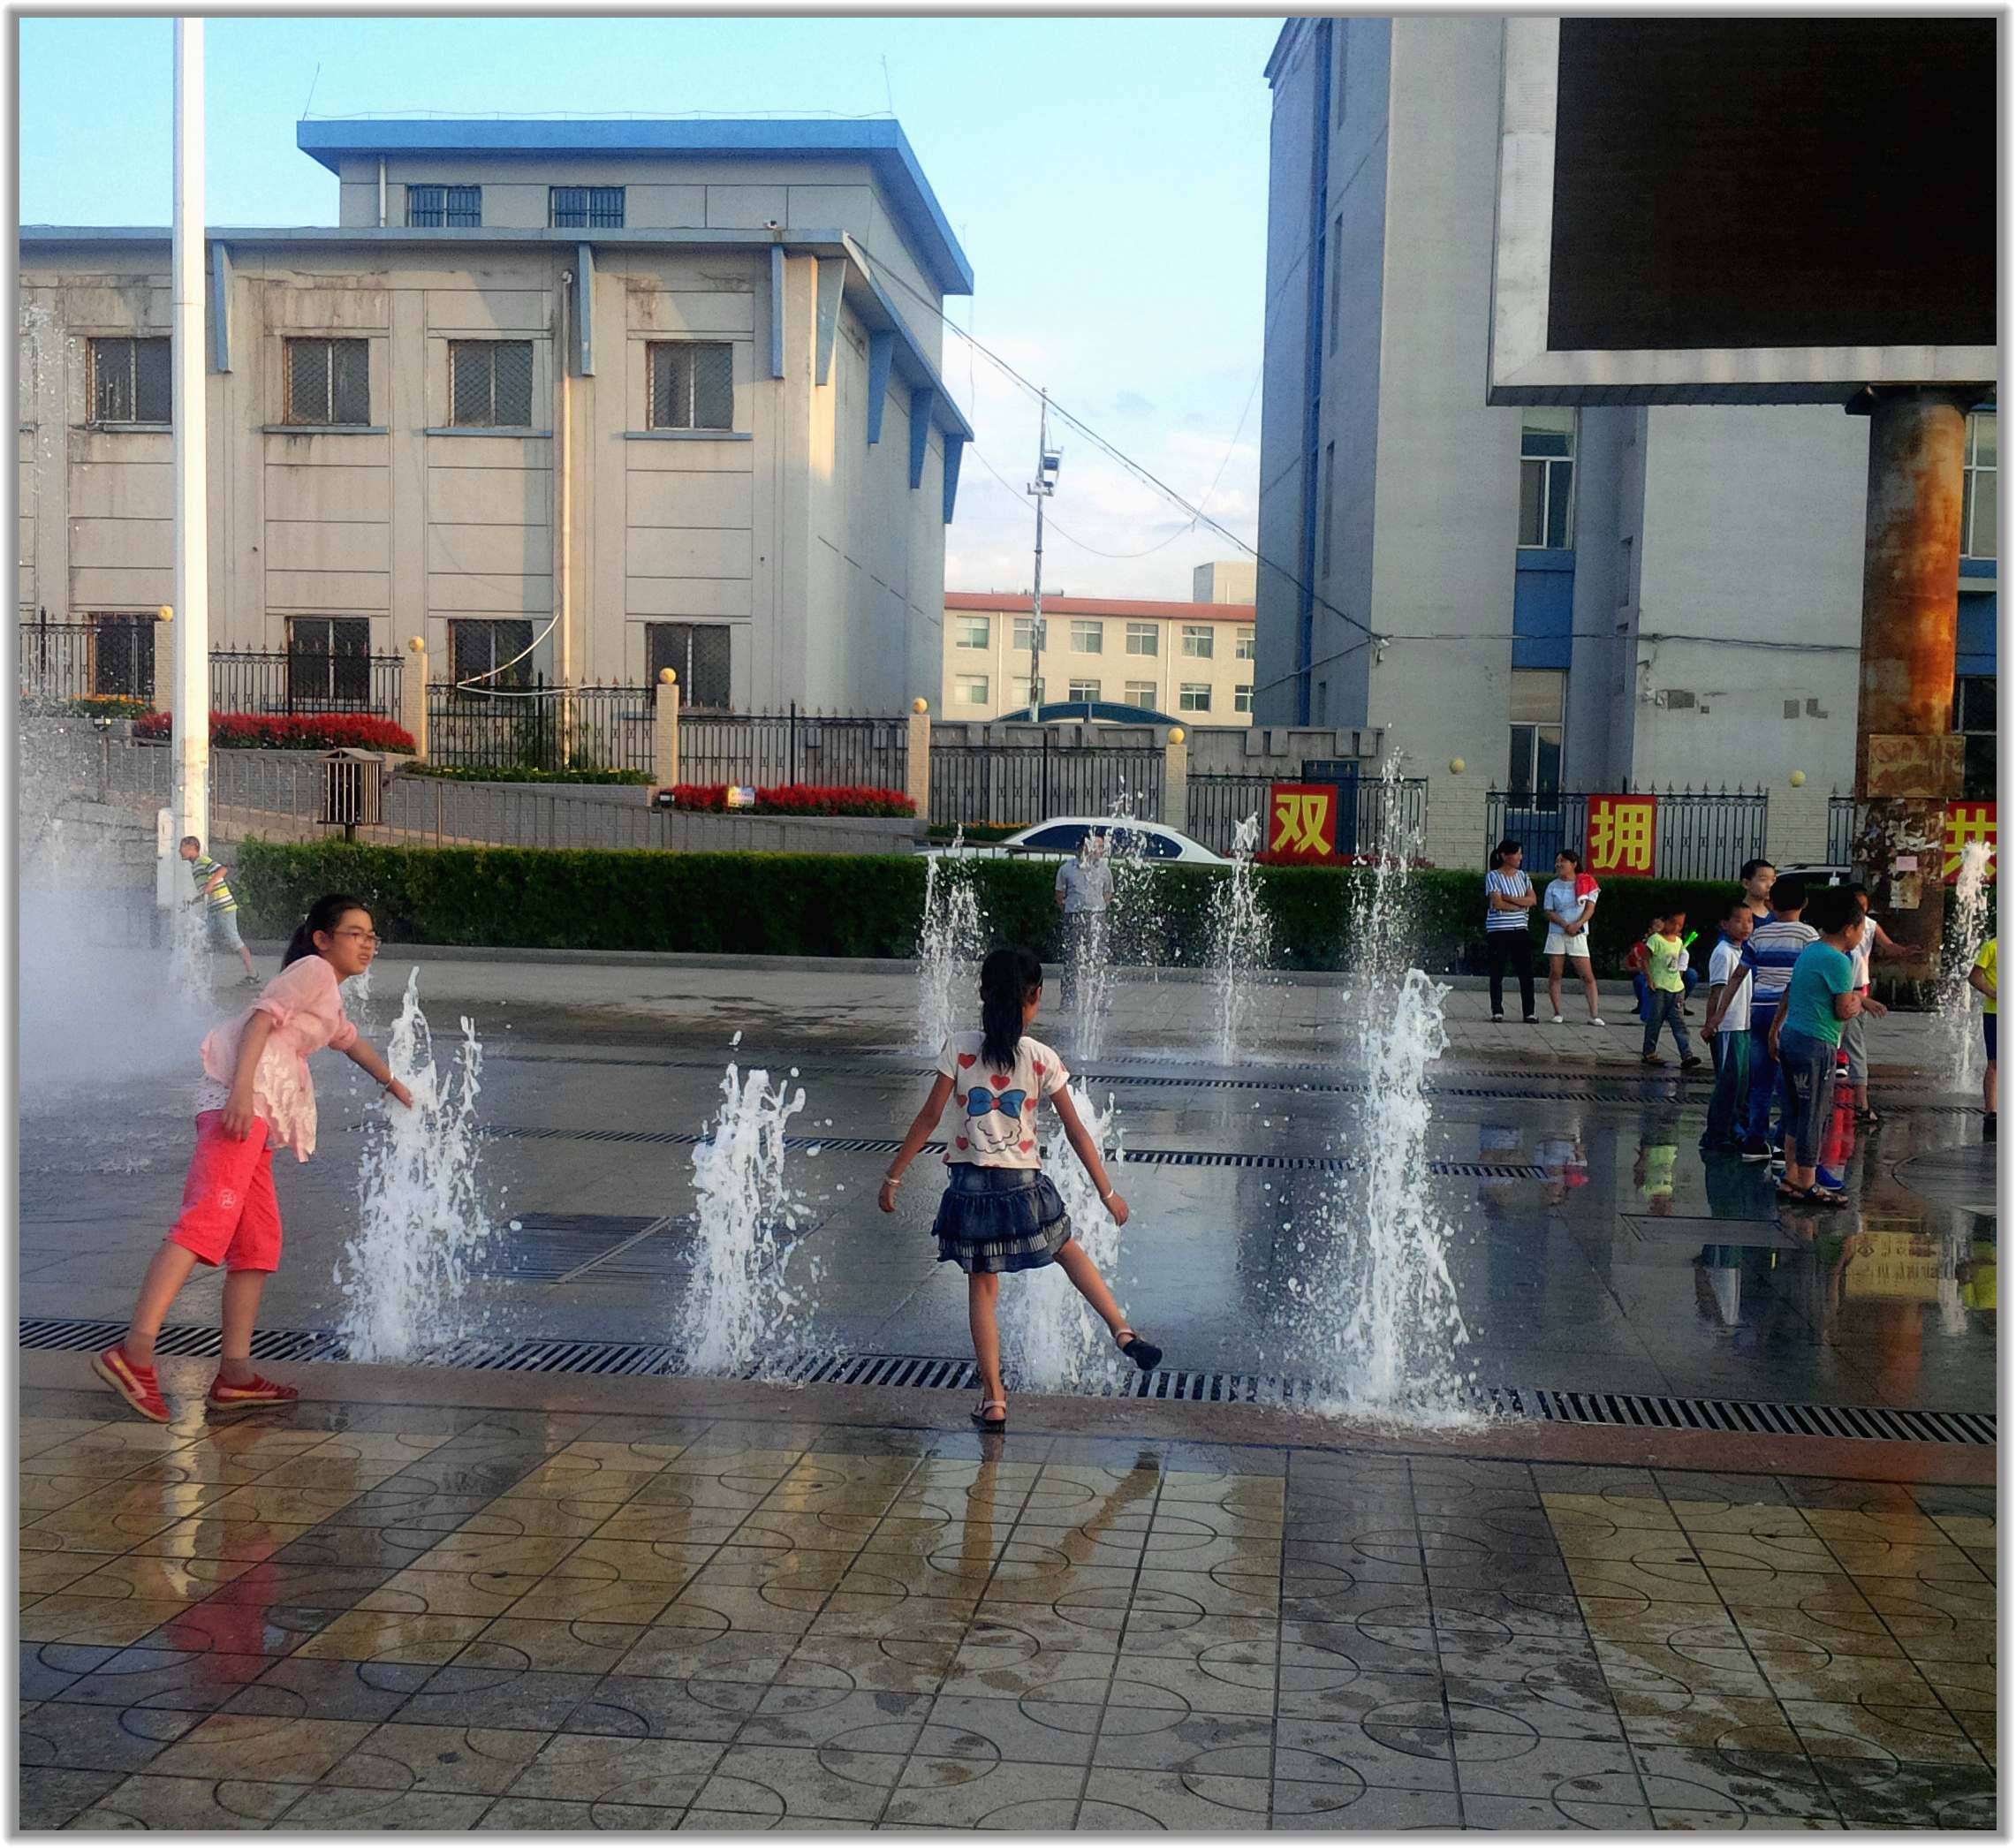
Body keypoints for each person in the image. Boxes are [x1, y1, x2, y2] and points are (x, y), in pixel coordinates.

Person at [94, 895, 413, 1423]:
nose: (367, 944)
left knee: (258, 1243)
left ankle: (236, 1375)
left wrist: (391, 1082)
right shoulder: (312, 971)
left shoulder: (326, 993)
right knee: (203, 1225)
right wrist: (240, 1093)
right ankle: (134, 1354)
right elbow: (259, 1022)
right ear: (322, 940)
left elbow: (348, 1040)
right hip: (238, 1106)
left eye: (371, 936)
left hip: (258, 1120)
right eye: (355, 933)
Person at [878, 945, 1160, 1431]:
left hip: (969, 1191)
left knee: (982, 1289)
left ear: (982, 993)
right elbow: (1076, 1131)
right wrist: (1107, 1193)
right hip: (1023, 1187)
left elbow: (928, 1118)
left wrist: (894, 1174)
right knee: (1067, 1250)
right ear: (1036, 997)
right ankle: (1122, 1330)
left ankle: (994, 1400)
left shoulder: (959, 1048)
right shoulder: (1041, 1058)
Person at [1768, 885, 1865, 1207]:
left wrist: (1774, 1030)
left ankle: (1791, 1175)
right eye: (1861, 929)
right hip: (1816, 1043)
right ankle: (1807, 1182)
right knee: (1814, 1114)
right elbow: (1842, 1009)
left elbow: (1793, 990)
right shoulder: (1838, 961)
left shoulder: (1810, 951)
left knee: (1794, 1112)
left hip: (1792, 1037)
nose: (1861, 935)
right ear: (1849, 928)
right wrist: (1856, 1004)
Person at [1736, 878, 1817, 1163]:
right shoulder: (1809, 936)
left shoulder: (1759, 935)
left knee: (1760, 1082)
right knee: (1789, 1084)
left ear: (1771, 903)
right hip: (1788, 1014)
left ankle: (1754, 1142)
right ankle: (1783, 1144)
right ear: (1804, 903)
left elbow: (1739, 975)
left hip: (1759, 1010)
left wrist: (1717, 1015)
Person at [1700, 901, 1756, 1152]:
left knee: (1741, 1083)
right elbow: (1716, 992)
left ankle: (1734, 1129)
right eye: (1739, 920)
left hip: (1744, 1024)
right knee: (1728, 1082)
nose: (1746, 926)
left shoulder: (1744, 953)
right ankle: (1716, 1133)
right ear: (1724, 924)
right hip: (1727, 1026)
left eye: (1750, 921)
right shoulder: (1723, 953)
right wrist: (1711, 1023)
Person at [1843, 885, 1900, 1125]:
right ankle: (1861, 1105)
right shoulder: (1847, 956)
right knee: (1854, 1050)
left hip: (1848, 1001)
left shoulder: (1818, 946)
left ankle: (1859, 1103)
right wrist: (1864, 1001)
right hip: (1847, 1003)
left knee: (1848, 1048)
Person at [179, 835, 260, 987]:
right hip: (214, 909)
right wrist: (192, 902)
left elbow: (222, 870)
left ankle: (253, 974)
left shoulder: (202, 861)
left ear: (192, 847)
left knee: (233, 939)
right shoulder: (195, 866)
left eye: (182, 846)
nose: (179, 850)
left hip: (224, 907)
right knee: (201, 939)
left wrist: (210, 884)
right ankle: (193, 977)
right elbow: (205, 891)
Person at [1542, 850, 1605, 1026]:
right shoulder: (1553, 886)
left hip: (1578, 932)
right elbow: (1549, 910)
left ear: (1574, 864)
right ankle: (1557, 1012)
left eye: (1563, 861)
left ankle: (1594, 1014)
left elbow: (1590, 908)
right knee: (1556, 972)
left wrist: (1578, 924)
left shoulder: (1587, 882)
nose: (1559, 865)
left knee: (1587, 975)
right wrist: (1564, 925)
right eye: (1557, 861)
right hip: (1557, 932)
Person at [1053, 833, 1113, 1011]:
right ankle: (1068, 1000)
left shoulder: (1104, 870)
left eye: (1101, 847)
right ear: (1085, 847)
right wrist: (1070, 910)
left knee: (1098, 959)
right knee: (1071, 959)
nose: (1101, 851)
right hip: (1074, 916)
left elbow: (1108, 893)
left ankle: (1100, 1001)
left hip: (1096, 916)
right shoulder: (1067, 869)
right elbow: (1060, 895)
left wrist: (1099, 907)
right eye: (1097, 846)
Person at [1483, 839, 1537, 1024]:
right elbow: (1498, 903)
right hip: (1499, 929)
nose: (1520, 857)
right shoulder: (1493, 876)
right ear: (1504, 856)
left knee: (1526, 971)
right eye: (1517, 854)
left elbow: (1532, 900)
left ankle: (1529, 1011)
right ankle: (1497, 1009)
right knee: (1497, 970)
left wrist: (1510, 899)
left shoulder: (1523, 876)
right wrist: (1519, 905)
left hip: (1520, 928)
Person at [1641, 910, 1701, 1070]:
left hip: (1676, 989)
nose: (1676, 927)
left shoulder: (1678, 942)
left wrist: (1679, 978)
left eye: (1680, 925)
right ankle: (1649, 1052)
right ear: (1664, 921)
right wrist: (1649, 979)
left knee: (1679, 1023)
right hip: (1659, 988)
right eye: (1673, 923)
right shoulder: (1655, 940)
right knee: (1655, 1021)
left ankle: (1686, 1054)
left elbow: (1679, 962)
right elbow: (1645, 960)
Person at [1970, 934, 1997, 1140]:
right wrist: (1993, 992)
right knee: (1996, 1063)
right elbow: (1975, 977)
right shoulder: (1992, 947)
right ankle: (1992, 1112)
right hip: (1996, 1013)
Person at [1739, 859, 1777, 926]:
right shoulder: (1736, 917)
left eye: (1773, 880)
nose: (1770, 885)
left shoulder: (1776, 915)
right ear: (1746, 883)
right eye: (1763, 880)